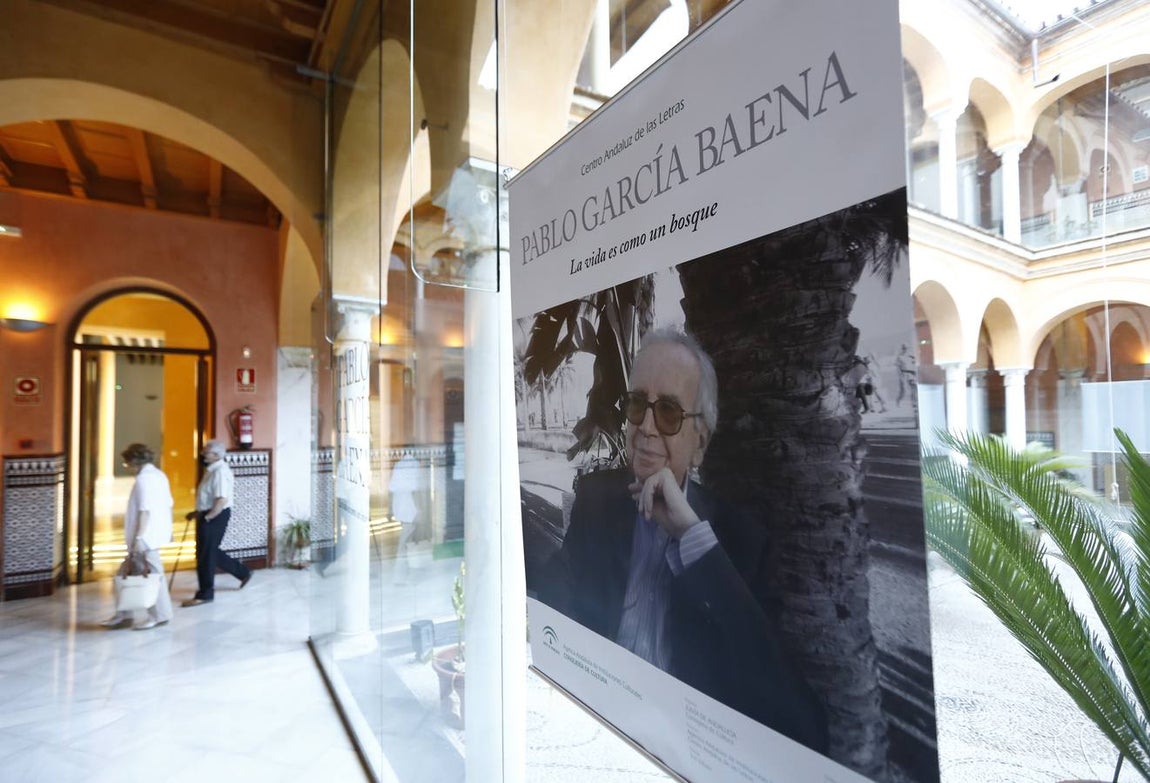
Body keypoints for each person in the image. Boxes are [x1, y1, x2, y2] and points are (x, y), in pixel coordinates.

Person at [538, 329, 827, 752]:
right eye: (637, 404)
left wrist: (693, 540)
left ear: (700, 444)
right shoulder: (598, 500)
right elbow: (555, 596)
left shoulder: (738, 541)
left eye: (669, 412)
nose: (646, 428)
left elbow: (800, 722)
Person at [102, 443, 174, 631]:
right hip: (154, 535)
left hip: (146, 538)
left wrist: (138, 539)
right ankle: (124, 614)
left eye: (127, 464)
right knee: (129, 574)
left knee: (150, 577)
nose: (128, 467)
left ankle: (158, 615)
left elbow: (145, 511)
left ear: (134, 461)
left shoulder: (144, 479)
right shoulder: (159, 475)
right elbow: (168, 504)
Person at [181, 439, 251, 606]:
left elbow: (221, 499)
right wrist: (198, 513)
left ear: (217, 455)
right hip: (209, 514)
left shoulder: (219, 472)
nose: (203, 453)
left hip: (215, 516)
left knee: (206, 555)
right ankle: (243, 573)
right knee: (208, 552)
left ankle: (205, 594)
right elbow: (208, 497)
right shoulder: (211, 470)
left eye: (207, 451)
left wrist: (208, 517)